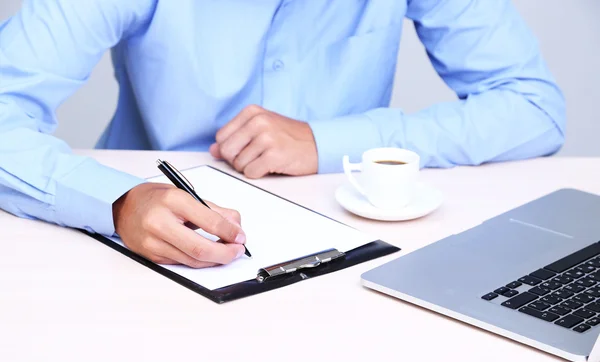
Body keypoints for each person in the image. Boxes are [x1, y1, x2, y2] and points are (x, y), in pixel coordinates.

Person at [0, 0, 565, 268]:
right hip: (154, 249)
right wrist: (118, 201)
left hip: (355, 246)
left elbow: (534, 107)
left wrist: (332, 141)